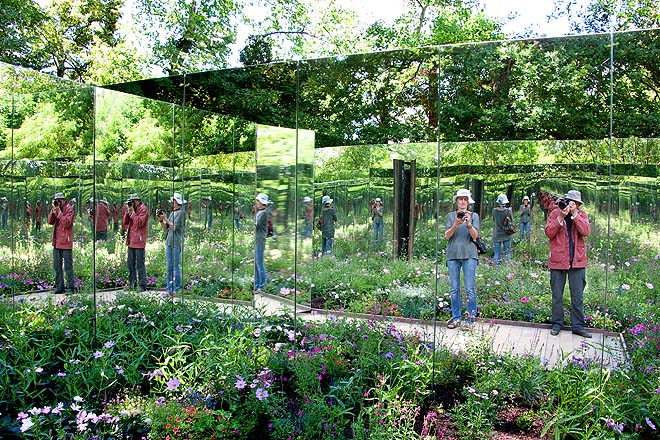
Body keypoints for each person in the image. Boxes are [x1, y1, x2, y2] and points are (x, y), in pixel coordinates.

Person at [545, 190, 592, 338]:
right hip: (558, 261)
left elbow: (585, 231)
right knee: (557, 295)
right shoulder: (555, 213)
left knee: (577, 296)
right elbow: (548, 232)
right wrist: (561, 217)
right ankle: (557, 324)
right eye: (569, 201)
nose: (571, 204)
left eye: (574, 203)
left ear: (578, 204)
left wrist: (575, 215)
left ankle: (578, 326)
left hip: (577, 261)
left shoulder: (582, 215)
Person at [444, 188, 480, 329]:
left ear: (468, 202)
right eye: (460, 199)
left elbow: (475, 236)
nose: (463, 201)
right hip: (452, 255)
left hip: (469, 255)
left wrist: (468, 223)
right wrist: (456, 224)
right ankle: (456, 317)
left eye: (465, 199)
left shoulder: (474, 216)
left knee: (470, 288)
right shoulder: (450, 216)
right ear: (457, 201)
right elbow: (447, 236)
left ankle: (471, 319)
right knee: (454, 289)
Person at [158, 192, 186, 295]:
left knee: (175, 266)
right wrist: (161, 221)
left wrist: (165, 219)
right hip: (168, 242)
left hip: (176, 242)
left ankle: (176, 289)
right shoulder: (171, 213)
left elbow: (174, 227)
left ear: (178, 202)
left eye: (174, 201)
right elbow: (166, 229)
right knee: (169, 266)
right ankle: (169, 289)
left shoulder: (181, 213)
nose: (172, 202)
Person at [47, 192, 75, 294]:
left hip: (66, 242)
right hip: (57, 242)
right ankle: (59, 287)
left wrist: (59, 212)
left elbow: (67, 224)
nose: (58, 202)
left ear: (63, 200)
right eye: (56, 200)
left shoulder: (69, 209)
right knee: (57, 266)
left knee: (68, 267)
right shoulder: (56, 208)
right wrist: (53, 210)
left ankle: (70, 288)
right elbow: (50, 222)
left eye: (59, 200)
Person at [123, 193, 149, 292]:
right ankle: (132, 284)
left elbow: (139, 223)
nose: (131, 203)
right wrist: (128, 211)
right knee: (130, 263)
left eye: (132, 201)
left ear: (137, 201)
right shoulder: (131, 209)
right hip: (131, 240)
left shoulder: (143, 209)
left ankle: (142, 286)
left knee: (139, 264)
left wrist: (133, 213)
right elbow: (125, 222)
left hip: (139, 240)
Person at [254, 193, 270, 292]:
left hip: (260, 240)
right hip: (257, 240)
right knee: (256, 263)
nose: (256, 202)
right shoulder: (259, 212)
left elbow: (256, 224)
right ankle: (257, 285)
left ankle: (262, 285)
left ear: (262, 203)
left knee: (259, 263)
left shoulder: (263, 213)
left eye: (258, 201)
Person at [492, 194, 513, 265]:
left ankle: (496, 268)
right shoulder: (508, 211)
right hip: (506, 233)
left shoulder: (494, 211)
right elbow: (512, 220)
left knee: (497, 253)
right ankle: (507, 268)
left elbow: (494, 220)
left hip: (497, 233)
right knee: (507, 252)